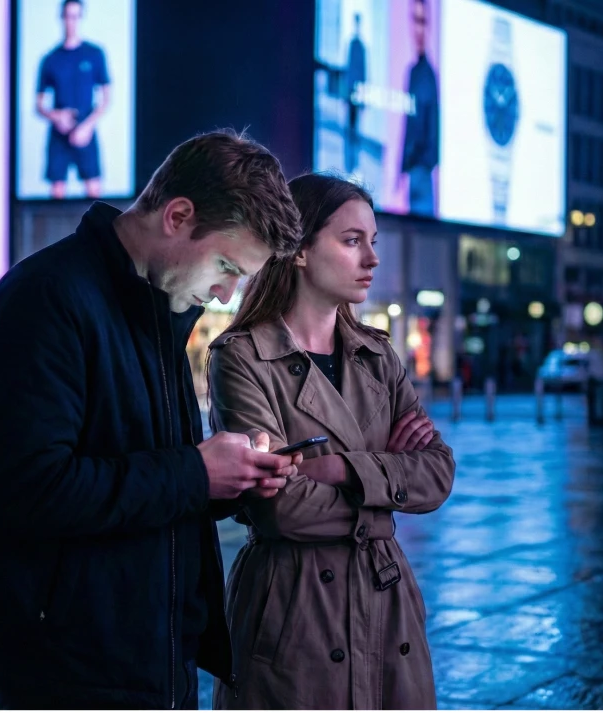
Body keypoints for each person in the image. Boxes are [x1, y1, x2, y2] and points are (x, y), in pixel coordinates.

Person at [0, 131, 306, 710]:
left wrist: (229, 479)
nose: (229, 294)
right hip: (70, 668)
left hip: (151, 653)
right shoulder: (45, 301)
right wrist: (194, 473)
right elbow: (24, 493)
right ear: (178, 216)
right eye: (229, 266)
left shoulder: (157, 309)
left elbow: (140, 474)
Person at [207, 174, 456, 709]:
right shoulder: (242, 357)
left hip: (387, 603)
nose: (372, 259)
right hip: (294, 605)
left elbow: (436, 473)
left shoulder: (377, 355)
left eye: (373, 241)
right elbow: (282, 508)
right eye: (351, 241)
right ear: (298, 250)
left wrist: (344, 469)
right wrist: (388, 486)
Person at [36, 0, 111, 199]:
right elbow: (39, 104)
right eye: (68, 16)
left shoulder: (94, 54)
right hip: (59, 133)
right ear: (61, 18)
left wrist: (87, 126)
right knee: (57, 194)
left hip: (86, 128)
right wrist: (56, 116)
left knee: (95, 195)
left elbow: (106, 98)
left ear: (81, 18)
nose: (72, 21)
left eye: (76, 16)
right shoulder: (50, 59)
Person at [399, 0, 439, 216]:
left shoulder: (429, 75)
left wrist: (423, 163)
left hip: (422, 170)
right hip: (414, 170)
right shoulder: (413, 72)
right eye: (415, 21)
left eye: (423, 21)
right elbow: (408, 126)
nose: (418, 30)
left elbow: (432, 127)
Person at [345, 13, 366, 175]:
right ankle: (348, 164)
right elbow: (349, 70)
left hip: (358, 93)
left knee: (356, 130)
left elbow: (363, 71)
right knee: (349, 129)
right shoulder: (352, 45)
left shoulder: (361, 47)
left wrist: (363, 95)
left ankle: (355, 164)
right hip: (351, 92)